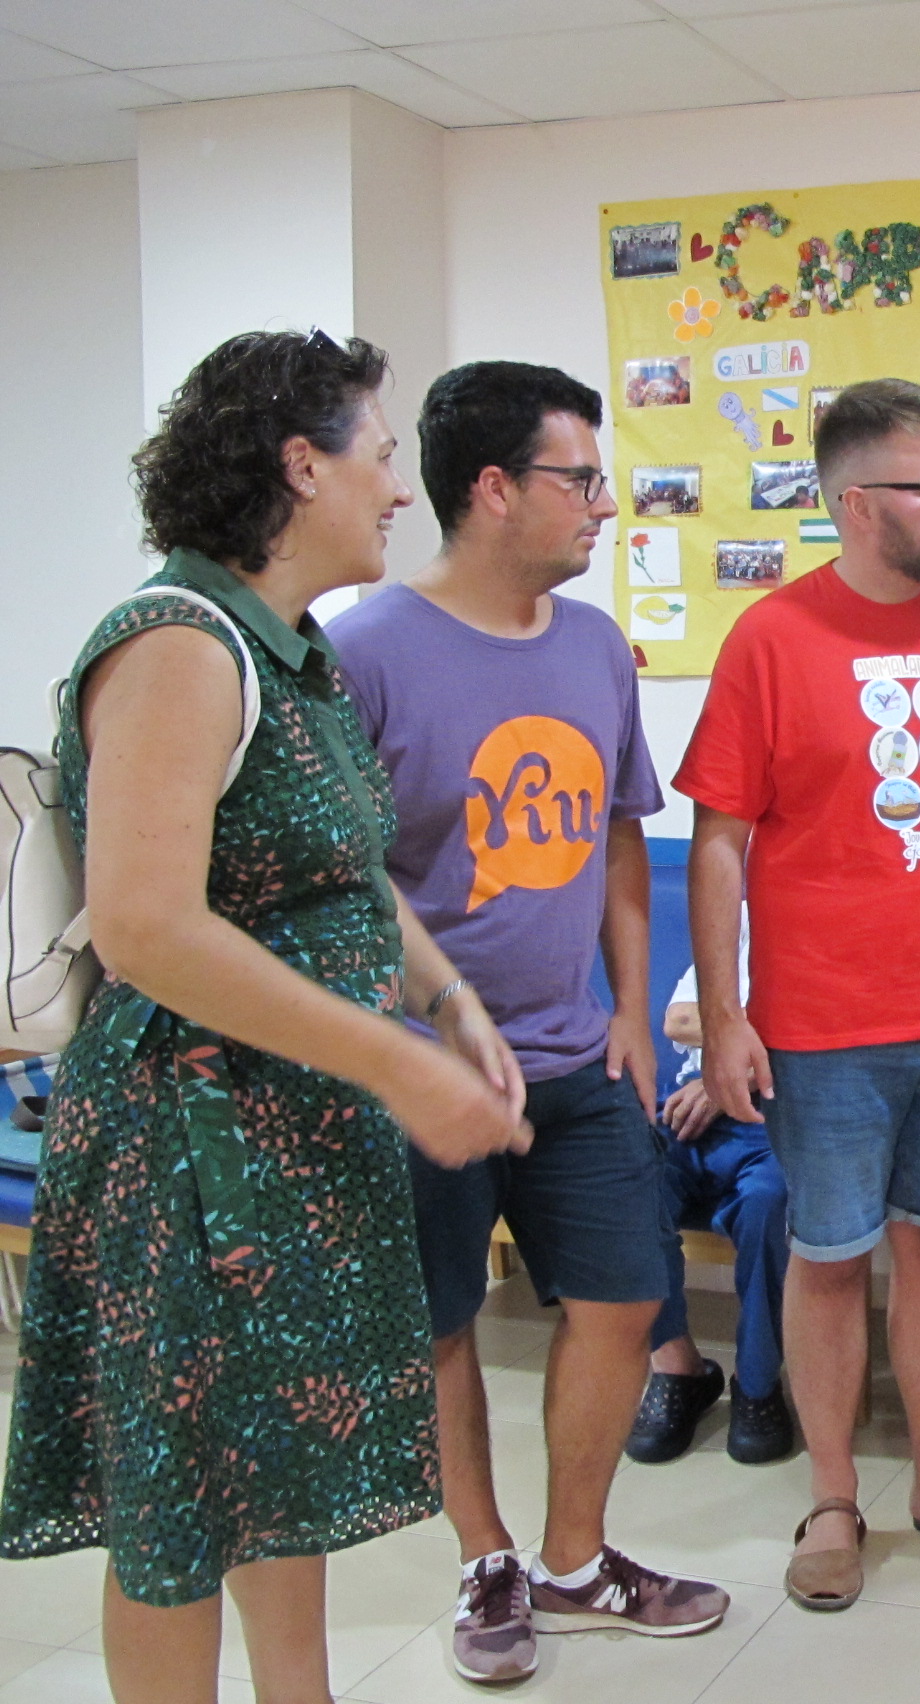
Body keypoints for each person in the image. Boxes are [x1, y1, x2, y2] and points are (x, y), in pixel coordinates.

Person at [0, 329, 528, 1704]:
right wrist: (396, 1067)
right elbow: (147, 928)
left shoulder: (289, 649)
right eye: (380, 456)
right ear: (302, 465)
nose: (399, 490)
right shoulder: (179, 645)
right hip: (189, 1149)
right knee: (180, 1507)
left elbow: (339, 871)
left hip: (293, 1126)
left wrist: (446, 1000)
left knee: (274, 1473)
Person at [331, 361, 727, 1686]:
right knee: (444, 1321)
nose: (604, 506)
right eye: (583, 480)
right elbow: (345, 875)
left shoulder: (595, 646)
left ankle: (573, 1557)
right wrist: (408, 1040)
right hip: (426, 1073)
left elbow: (618, 840)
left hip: (578, 1056)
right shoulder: (365, 653)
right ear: (496, 489)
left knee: (624, 1300)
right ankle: (485, 1557)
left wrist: (635, 1011)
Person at [677, 377, 920, 1613]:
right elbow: (718, 840)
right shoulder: (771, 637)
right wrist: (728, 1014)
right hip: (827, 1022)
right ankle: (835, 1497)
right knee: (832, 1257)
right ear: (856, 503)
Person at [624, 918, 794, 1469]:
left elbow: (828, 1036)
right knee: (630, 1187)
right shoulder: (739, 922)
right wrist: (760, 1044)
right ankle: (678, 1370)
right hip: (688, 1106)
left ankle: (757, 1383)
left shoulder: (838, 928)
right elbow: (677, 1019)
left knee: (769, 1204)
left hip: (779, 1116)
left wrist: (729, 1069)